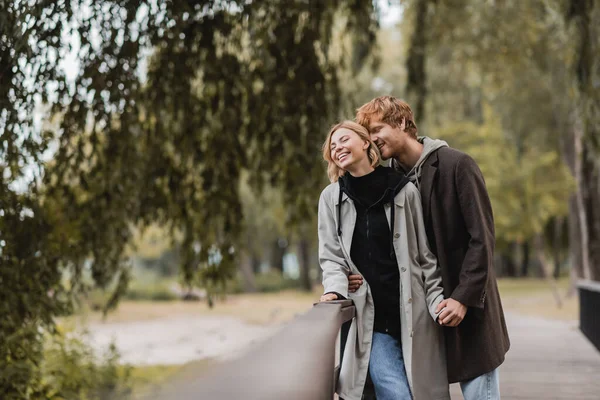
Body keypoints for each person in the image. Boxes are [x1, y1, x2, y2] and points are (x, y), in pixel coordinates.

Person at [348, 96, 510, 400]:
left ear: (401, 123)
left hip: (470, 312)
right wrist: (350, 274)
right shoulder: (390, 183)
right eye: (366, 135)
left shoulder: (457, 164)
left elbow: (482, 239)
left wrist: (462, 299)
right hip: (422, 319)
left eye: (377, 129)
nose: (371, 141)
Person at [318, 120, 450, 400]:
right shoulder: (331, 198)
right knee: (398, 394)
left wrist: (437, 302)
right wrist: (335, 288)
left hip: (411, 314)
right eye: (332, 146)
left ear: (365, 142)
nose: (338, 147)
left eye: (344, 139)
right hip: (370, 318)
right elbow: (331, 258)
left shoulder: (403, 191)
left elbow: (425, 258)